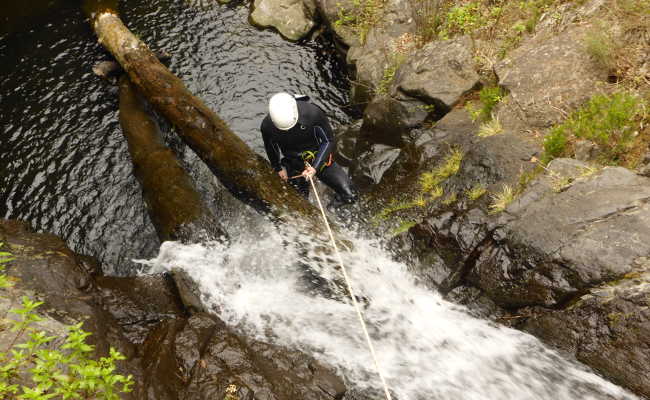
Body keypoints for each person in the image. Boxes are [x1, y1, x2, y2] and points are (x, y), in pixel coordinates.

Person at [261, 92, 357, 207]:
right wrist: (278, 168)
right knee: (298, 204)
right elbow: (271, 147)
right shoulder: (267, 126)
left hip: (318, 158)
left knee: (351, 195)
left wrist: (314, 167)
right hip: (294, 163)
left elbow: (328, 141)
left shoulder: (313, 114)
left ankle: (331, 209)